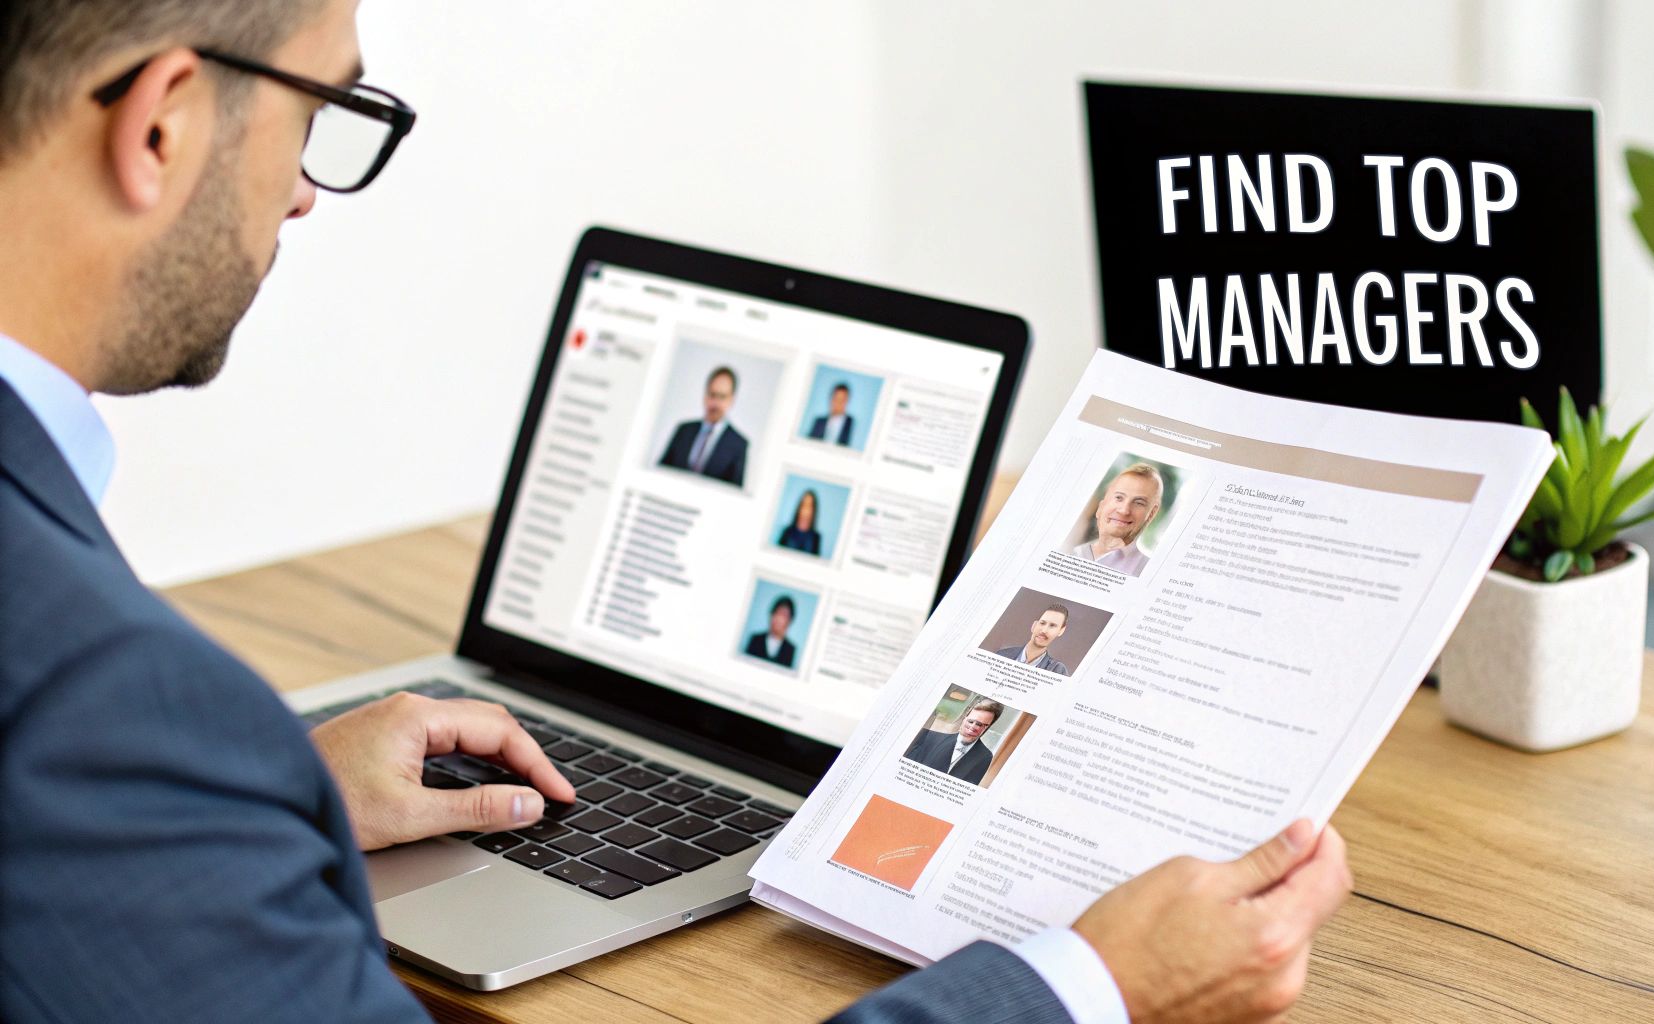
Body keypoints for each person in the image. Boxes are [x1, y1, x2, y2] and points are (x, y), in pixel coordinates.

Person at [0, 2, 1354, 1022]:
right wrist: (1089, 985)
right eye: (318, 117)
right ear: (164, 121)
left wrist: (280, 802)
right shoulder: (112, 714)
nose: (303, 189)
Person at [658, 365, 749, 485]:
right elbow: (660, 472)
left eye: (722, 397)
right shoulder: (683, 430)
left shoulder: (739, 444)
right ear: (705, 396)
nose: (715, 403)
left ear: (731, 400)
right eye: (712, 395)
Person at [1070, 463, 1166, 577]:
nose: (1124, 510)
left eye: (1139, 503)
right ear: (1102, 506)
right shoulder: (1073, 553)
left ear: (1151, 514)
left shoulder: (1150, 571)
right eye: (1119, 498)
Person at [903, 700, 1003, 785]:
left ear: (987, 727)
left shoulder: (985, 756)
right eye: (971, 721)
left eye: (980, 724)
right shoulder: (929, 737)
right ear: (965, 718)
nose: (973, 727)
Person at [995, 603, 1072, 675]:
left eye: (1052, 626)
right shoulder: (1002, 655)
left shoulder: (1057, 670)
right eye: (1042, 623)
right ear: (1034, 625)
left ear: (1061, 631)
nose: (1044, 630)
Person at [743, 594, 798, 668]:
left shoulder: (790, 649)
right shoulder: (755, 640)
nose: (779, 619)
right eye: (777, 613)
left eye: (784, 615)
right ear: (771, 615)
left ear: (789, 621)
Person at [808, 380, 855, 446]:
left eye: (842, 400)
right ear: (831, 399)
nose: (838, 404)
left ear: (847, 401)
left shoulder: (850, 423)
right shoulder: (819, 422)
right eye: (836, 399)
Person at [778, 488, 822, 555]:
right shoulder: (787, 532)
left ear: (814, 510)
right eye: (804, 505)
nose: (806, 510)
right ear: (799, 508)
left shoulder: (816, 537)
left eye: (810, 506)